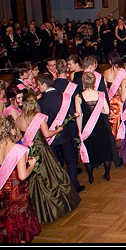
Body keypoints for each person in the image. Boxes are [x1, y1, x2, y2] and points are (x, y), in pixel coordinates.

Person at [16, 92, 81, 223]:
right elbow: (46, 134)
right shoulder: (38, 117)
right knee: (53, 176)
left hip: (29, 152)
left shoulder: (18, 120)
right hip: (43, 151)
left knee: (35, 179)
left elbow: (18, 138)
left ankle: (38, 208)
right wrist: (58, 130)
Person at [0, 116, 41, 243]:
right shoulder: (18, 149)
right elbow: (22, 175)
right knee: (20, 225)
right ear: (9, 130)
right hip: (17, 194)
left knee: (6, 226)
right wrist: (31, 166)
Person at [37, 72, 84, 193]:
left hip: (50, 137)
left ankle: (61, 188)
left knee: (56, 163)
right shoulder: (65, 97)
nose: (38, 87)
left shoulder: (40, 102)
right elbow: (70, 115)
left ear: (44, 84)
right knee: (71, 160)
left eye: (39, 85)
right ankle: (74, 185)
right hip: (65, 134)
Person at [75, 72, 115, 183]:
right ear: (94, 82)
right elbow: (107, 111)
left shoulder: (78, 97)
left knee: (89, 154)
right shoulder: (100, 94)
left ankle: (91, 177)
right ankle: (107, 174)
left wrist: (79, 131)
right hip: (101, 127)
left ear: (83, 82)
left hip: (87, 129)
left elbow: (78, 116)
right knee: (106, 152)